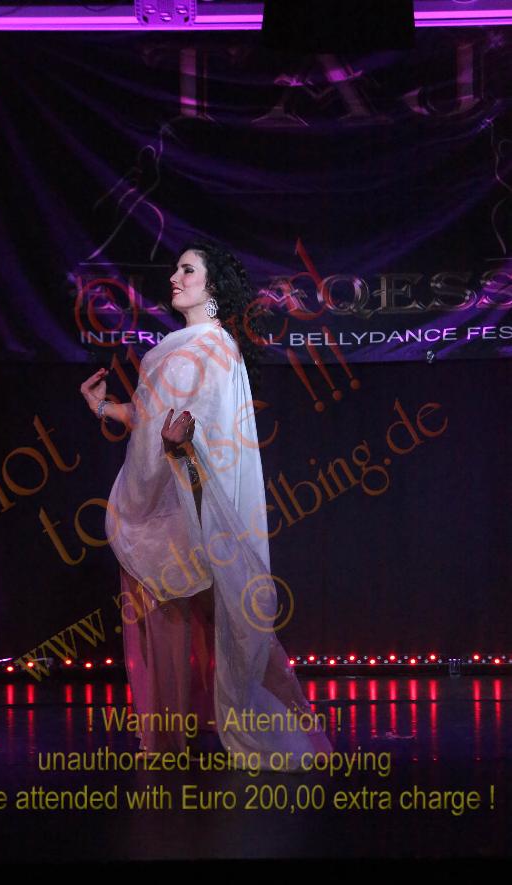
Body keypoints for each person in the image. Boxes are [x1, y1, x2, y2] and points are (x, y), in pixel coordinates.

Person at [81, 241, 332, 770]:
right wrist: (103, 407)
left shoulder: (215, 349)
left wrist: (179, 448)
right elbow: (151, 419)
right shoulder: (174, 348)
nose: (174, 277)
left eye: (187, 270)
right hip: (154, 508)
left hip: (191, 512)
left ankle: (219, 734)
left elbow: (212, 440)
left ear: (212, 287)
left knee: (220, 623)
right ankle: (174, 740)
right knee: (175, 628)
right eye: (176, 269)